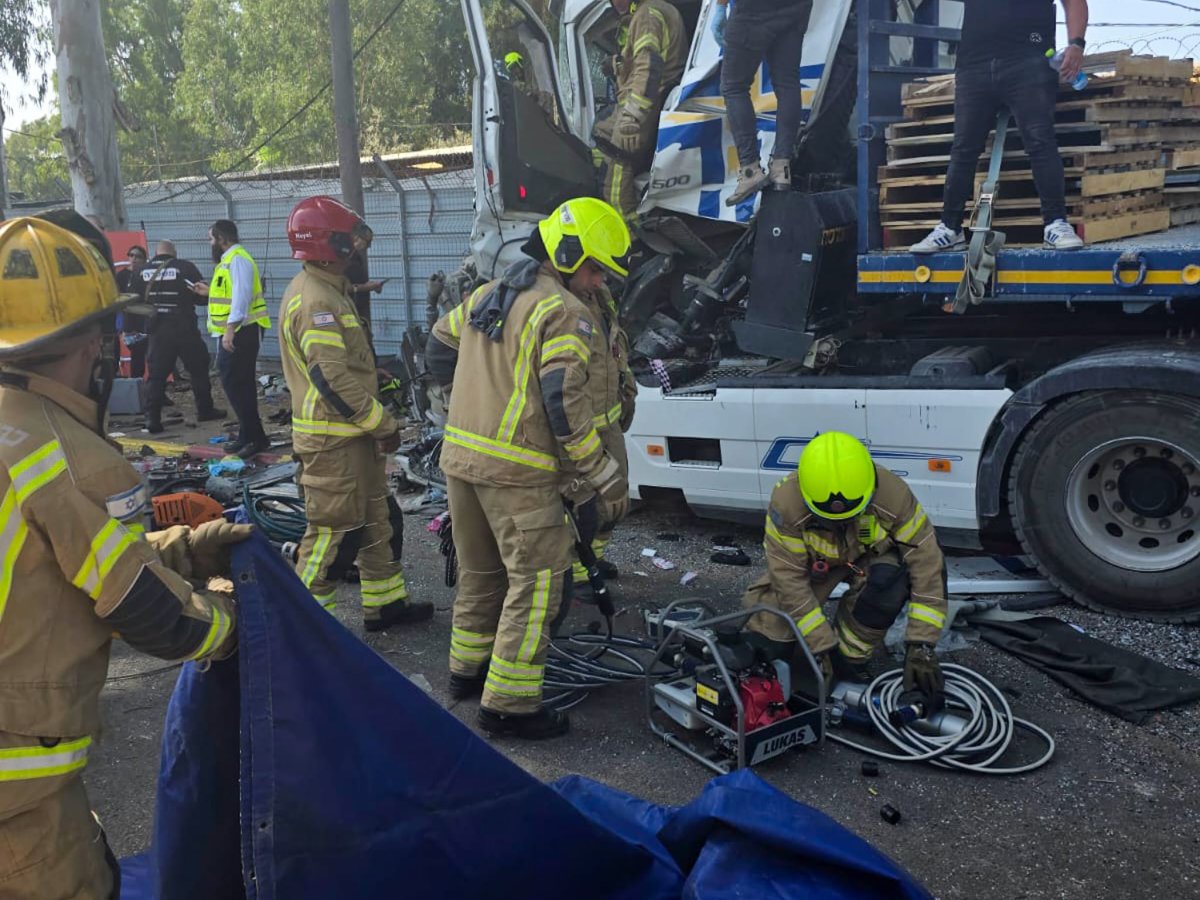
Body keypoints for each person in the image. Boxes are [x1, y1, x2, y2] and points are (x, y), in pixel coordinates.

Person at [0, 215, 251, 899]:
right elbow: (148, 615)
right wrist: (233, 625)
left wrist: (186, 548)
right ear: (90, 337)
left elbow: (43, 564)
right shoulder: (71, 457)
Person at [426, 197, 632, 740]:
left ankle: (467, 674)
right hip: (517, 474)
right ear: (566, 252)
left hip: (462, 462)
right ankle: (510, 706)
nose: (596, 282)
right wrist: (601, 471)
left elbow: (439, 344)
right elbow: (563, 402)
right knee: (539, 582)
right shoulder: (564, 310)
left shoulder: (489, 293)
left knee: (481, 574)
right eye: (593, 268)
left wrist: (457, 398)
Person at [279, 196, 433, 632]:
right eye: (350, 241)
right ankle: (308, 629)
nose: (358, 249)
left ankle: (385, 605)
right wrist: (382, 423)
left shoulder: (330, 290)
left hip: (349, 437)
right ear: (328, 244)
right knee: (333, 535)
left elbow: (342, 366)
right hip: (333, 441)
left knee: (374, 521)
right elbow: (330, 379)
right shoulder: (316, 301)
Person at [741, 432, 947, 714]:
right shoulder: (787, 503)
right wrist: (821, 645)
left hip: (869, 559)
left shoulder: (893, 495)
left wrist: (922, 643)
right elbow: (788, 581)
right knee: (767, 644)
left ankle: (851, 659)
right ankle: (821, 653)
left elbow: (927, 563)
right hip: (813, 567)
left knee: (891, 580)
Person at [910, 0, 1088, 253]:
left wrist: (1076, 44)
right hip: (974, 64)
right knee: (963, 149)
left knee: (1040, 143)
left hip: (1029, 59)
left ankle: (1055, 224)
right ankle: (950, 228)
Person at [568, 283, 636, 597]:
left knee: (618, 499)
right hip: (582, 425)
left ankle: (596, 557)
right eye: (593, 270)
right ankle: (580, 572)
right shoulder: (562, 302)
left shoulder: (602, 295)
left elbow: (615, 347)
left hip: (610, 419)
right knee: (586, 505)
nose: (599, 277)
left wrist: (628, 388)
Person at [592, 0, 687, 223]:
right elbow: (639, 61)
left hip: (645, 105)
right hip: (647, 102)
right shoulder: (652, 12)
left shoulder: (647, 14)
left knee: (616, 164)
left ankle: (627, 230)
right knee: (600, 134)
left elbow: (649, 65)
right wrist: (617, 64)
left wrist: (632, 115)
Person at [713, 0, 812, 207]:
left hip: (753, 9)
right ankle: (781, 167)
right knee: (787, 83)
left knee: (734, 86)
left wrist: (720, 7)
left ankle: (750, 169)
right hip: (796, 8)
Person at [194, 220, 271, 458]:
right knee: (237, 384)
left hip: (241, 330)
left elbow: (241, 298)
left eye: (211, 239)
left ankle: (254, 437)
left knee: (237, 384)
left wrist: (230, 329)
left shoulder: (237, 259)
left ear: (221, 238)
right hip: (234, 330)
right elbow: (228, 295)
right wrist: (208, 293)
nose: (210, 244)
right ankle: (250, 435)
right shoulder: (228, 261)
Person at [138, 240, 225, 434]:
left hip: (157, 330)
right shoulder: (184, 267)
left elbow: (133, 299)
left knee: (156, 375)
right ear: (174, 252)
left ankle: (152, 418)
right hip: (184, 328)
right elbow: (201, 295)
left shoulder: (141, 271)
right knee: (198, 369)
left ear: (155, 253)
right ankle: (205, 409)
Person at [116, 245, 149, 378]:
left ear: (144, 260)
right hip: (129, 321)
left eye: (138, 256)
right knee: (137, 354)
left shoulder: (147, 275)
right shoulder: (122, 276)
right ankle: (137, 384)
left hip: (147, 320)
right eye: (131, 255)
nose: (134, 259)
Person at [344, 220, 383, 328]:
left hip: (358, 311)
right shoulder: (344, 259)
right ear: (356, 238)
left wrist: (372, 285)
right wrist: (366, 287)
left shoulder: (356, 256)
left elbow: (356, 281)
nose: (369, 246)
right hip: (349, 311)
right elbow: (343, 287)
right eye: (367, 241)